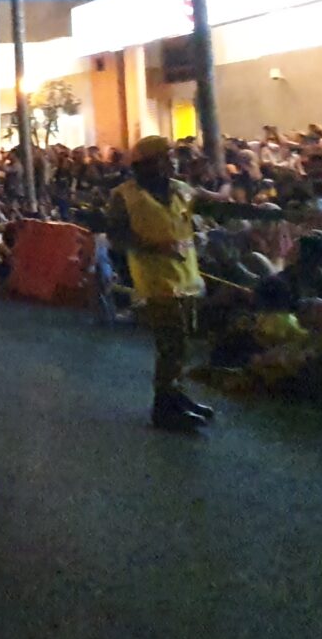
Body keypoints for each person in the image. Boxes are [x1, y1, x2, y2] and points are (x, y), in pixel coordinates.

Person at [108, 135, 282, 432]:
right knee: (171, 344)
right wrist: (154, 247)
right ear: (148, 163)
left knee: (183, 342)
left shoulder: (180, 190)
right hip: (156, 280)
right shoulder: (123, 196)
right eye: (165, 157)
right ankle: (164, 407)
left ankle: (176, 395)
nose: (172, 162)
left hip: (186, 276)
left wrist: (264, 212)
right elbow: (117, 237)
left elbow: (216, 207)